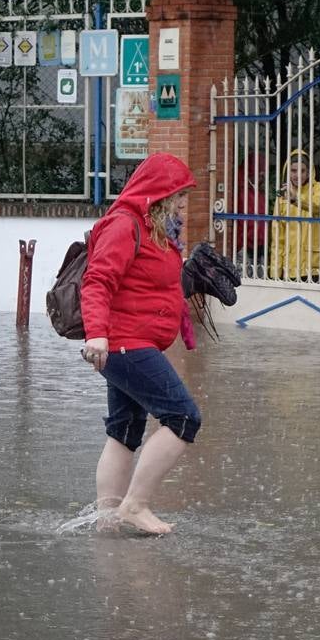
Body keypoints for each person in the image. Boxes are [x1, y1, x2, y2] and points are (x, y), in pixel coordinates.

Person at [80, 151, 201, 536]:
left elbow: (149, 284)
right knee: (184, 417)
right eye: (179, 196)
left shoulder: (158, 231)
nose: (183, 205)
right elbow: (97, 281)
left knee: (124, 430)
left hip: (132, 343)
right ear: (159, 194)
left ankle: (106, 520)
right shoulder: (124, 224)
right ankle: (136, 505)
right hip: (123, 344)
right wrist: (96, 333)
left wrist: (190, 282)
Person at [269, 148, 320, 281]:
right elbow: (277, 236)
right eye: (293, 171)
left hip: (315, 266)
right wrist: (275, 272)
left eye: (302, 171)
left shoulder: (319, 189)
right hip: (290, 267)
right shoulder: (282, 195)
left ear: (309, 172)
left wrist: (295, 199)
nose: (298, 175)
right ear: (288, 171)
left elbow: (319, 207)